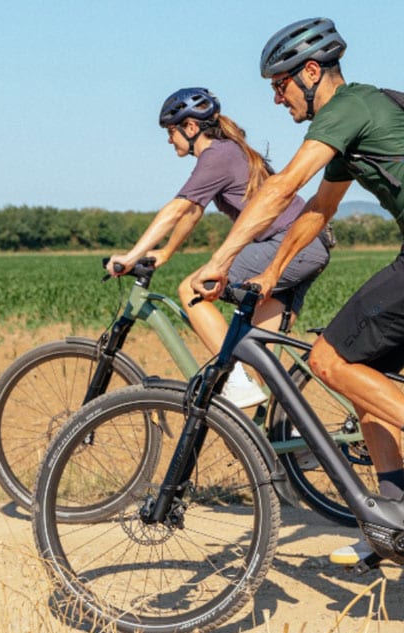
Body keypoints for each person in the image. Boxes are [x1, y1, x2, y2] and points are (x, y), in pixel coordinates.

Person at [190, 18, 404, 565]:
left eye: (280, 85)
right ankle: (393, 521)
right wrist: (270, 270)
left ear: (311, 72)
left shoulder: (347, 109)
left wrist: (220, 259)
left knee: (327, 359)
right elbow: (317, 209)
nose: (277, 98)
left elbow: (283, 187)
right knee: (364, 377)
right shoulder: (351, 126)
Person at [109, 87, 333, 408]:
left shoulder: (217, 155)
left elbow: (177, 209)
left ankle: (233, 382)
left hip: (290, 242)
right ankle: (294, 438)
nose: (169, 140)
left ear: (190, 128)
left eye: (171, 132)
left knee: (191, 289)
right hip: (309, 245)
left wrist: (131, 256)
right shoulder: (226, 152)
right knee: (258, 354)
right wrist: (166, 252)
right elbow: (192, 211)